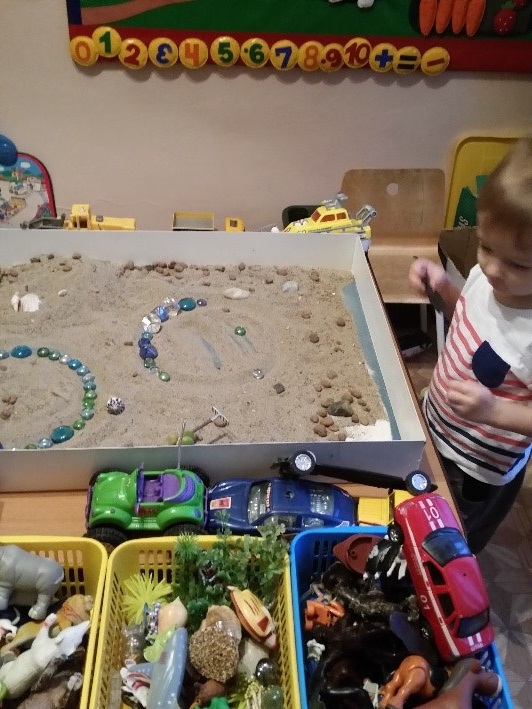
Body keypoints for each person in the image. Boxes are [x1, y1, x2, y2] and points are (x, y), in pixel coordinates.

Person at [409, 135, 532, 554]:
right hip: (438, 425)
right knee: (423, 501)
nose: (493, 268)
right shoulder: (487, 277)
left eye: (517, 263)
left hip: (478, 469)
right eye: (485, 246)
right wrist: (444, 288)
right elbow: (468, 314)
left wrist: (494, 410)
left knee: (454, 536)